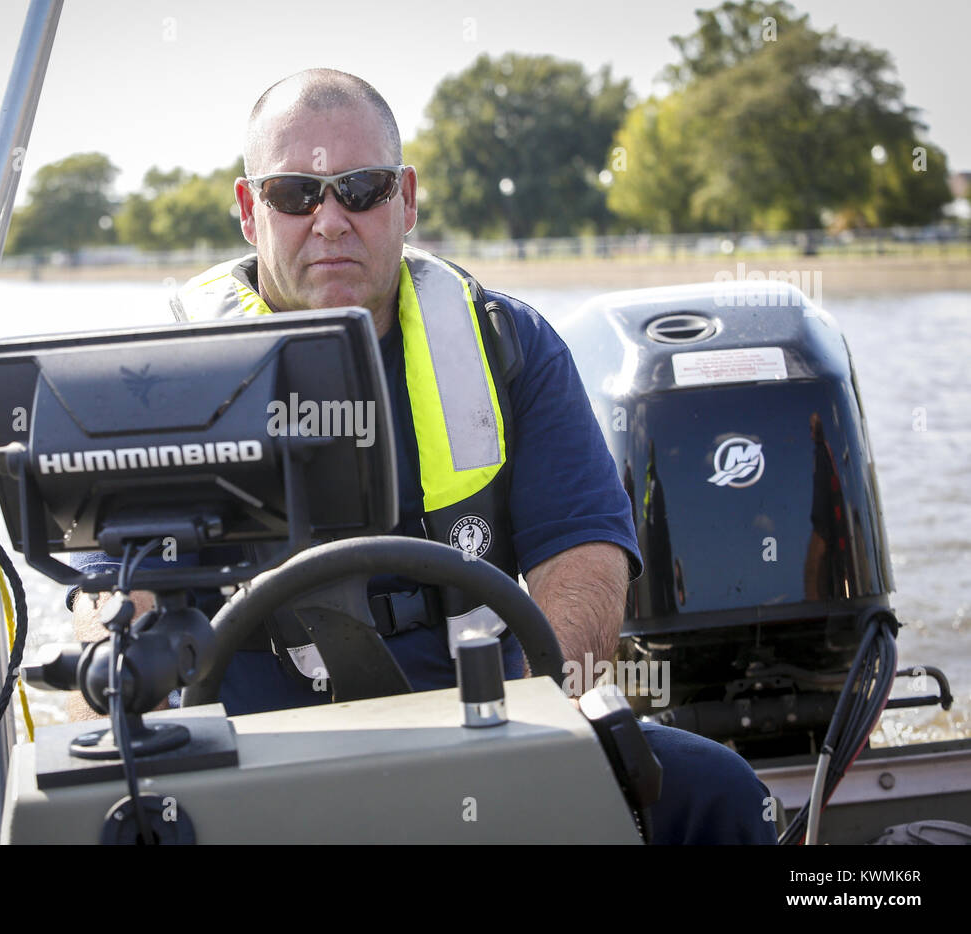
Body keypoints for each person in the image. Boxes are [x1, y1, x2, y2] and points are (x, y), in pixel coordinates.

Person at [68, 69, 776, 845]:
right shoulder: (162, 380)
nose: (331, 220)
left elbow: (585, 556)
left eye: (361, 188)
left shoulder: (511, 345)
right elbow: (115, 599)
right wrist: (111, 682)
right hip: (257, 759)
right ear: (249, 210)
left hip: (483, 731)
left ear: (405, 198)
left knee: (722, 796)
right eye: (296, 194)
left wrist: (530, 728)